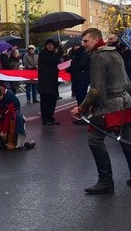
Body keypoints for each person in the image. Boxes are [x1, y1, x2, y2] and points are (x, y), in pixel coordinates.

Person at [70, 28, 131, 194]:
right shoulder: (115, 53)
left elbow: (96, 90)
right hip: (125, 102)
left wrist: (81, 108)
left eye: (86, 41)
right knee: (126, 140)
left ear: (96, 40)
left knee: (94, 140)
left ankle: (105, 181)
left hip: (110, 105)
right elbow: (127, 81)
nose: (83, 45)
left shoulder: (98, 57)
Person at [0, 84, 36, 150]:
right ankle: (2, 142)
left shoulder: (9, 96)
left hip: (12, 120)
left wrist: (4, 131)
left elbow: (9, 114)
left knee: (17, 119)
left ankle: (20, 143)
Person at [65, 41, 90, 124]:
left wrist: (70, 69)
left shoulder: (83, 54)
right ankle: (81, 117)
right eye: (74, 46)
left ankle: (84, 117)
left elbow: (81, 65)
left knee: (82, 98)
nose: (75, 47)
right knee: (79, 98)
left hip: (82, 78)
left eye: (77, 46)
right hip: (77, 78)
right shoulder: (76, 54)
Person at [38, 39, 60, 125]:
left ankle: (51, 118)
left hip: (52, 82)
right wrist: (58, 53)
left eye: (52, 45)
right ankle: (46, 119)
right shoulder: (43, 53)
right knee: (45, 102)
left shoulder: (52, 54)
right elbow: (51, 61)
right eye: (48, 45)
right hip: (45, 82)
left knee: (52, 101)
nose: (50, 46)